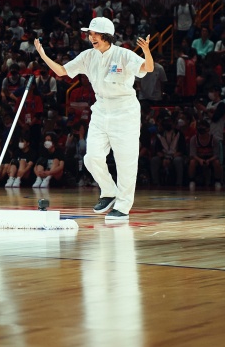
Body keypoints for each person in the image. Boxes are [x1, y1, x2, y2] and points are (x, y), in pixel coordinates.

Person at [35, 16, 153, 221]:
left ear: (107, 35)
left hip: (125, 112)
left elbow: (148, 69)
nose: (91, 37)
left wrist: (147, 52)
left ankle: (124, 206)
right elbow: (63, 71)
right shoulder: (88, 56)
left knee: (126, 162)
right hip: (100, 109)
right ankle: (109, 191)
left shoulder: (123, 55)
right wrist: (43, 56)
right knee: (92, 157)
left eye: (95, 34)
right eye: (90, 34)